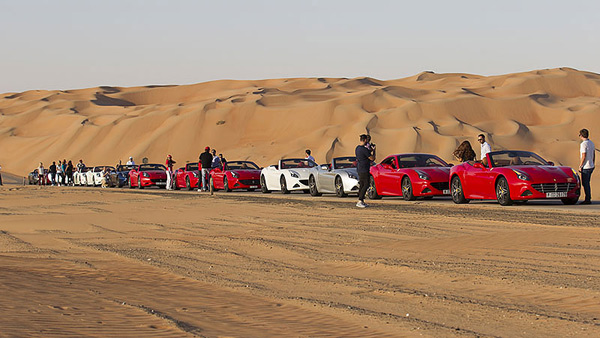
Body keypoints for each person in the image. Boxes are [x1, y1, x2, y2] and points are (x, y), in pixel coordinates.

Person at [355, 134, 376, 208]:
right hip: (364, 169)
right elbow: (372, 158)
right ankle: (360, 200)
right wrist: (374, 151)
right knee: (366, 184)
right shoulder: (364, 149)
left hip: (360, 169)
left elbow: (365, 154)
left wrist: (369, 149)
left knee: (362, 185)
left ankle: (361, 201)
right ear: (365, 140)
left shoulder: (357, 148)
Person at [579, 128, 595, 205]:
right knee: (587, 182)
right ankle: (588, 197)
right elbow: (594, 154)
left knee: (585, 183)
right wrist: (593, 163)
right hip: (591, 166)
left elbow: (584, 155)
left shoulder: (583, 144)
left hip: (586, 167)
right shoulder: (591, 143)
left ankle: (587, 199)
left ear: (581, 135)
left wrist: (580, 165)